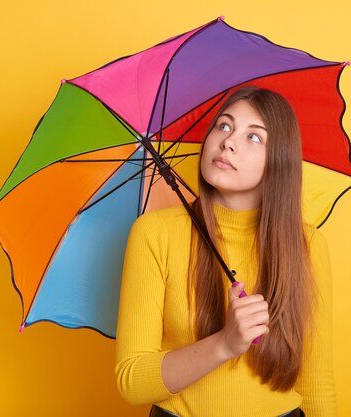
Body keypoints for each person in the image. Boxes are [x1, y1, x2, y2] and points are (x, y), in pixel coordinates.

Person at [115, 86, 338, 417]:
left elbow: (317, 384)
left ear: (279, 161)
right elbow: (131, 381)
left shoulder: (307, 245)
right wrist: (224, 344)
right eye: (224, 125)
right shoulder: (154, 233)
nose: (228, 141)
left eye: (253, 137)